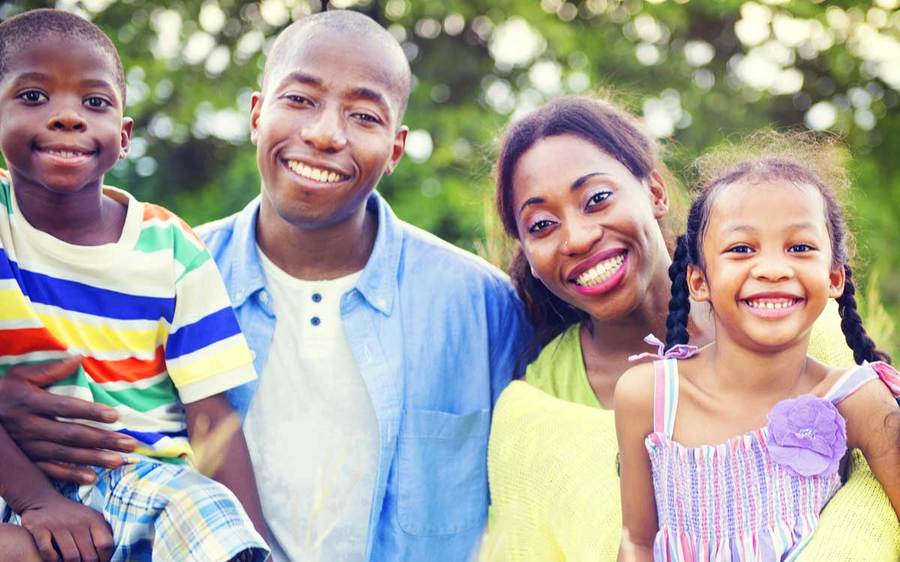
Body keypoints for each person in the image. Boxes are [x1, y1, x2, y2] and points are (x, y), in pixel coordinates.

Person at [0, 10, 530, 562]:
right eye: (299, 100)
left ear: (395, 148)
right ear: (256, 115)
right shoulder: (168, 274)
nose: (325, 133)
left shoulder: (482, 307)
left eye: (364, 115)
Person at [483, 97, 899, 561]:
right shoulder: (544, 401)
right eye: (541, 224)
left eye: (597, 199)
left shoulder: (803, 328)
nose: (577, 237)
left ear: (655, 193)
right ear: (528, 255)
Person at [0, 9, 268, 562]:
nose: (67, 117)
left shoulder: (172, 251)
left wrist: (254, 543)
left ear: (123, 137)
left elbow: (212, 417)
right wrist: (37, 501)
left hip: (141, 479)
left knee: (208, 515)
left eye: (94, 102)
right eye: (33, 96)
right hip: (16, 475)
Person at [615, 135, 900, 560]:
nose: (771, 269)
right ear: (699, 281)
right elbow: (637, 541)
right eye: (741, 249)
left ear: (835, 277)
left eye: (800, 248)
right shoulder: (649, 395)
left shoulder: (857, 399)